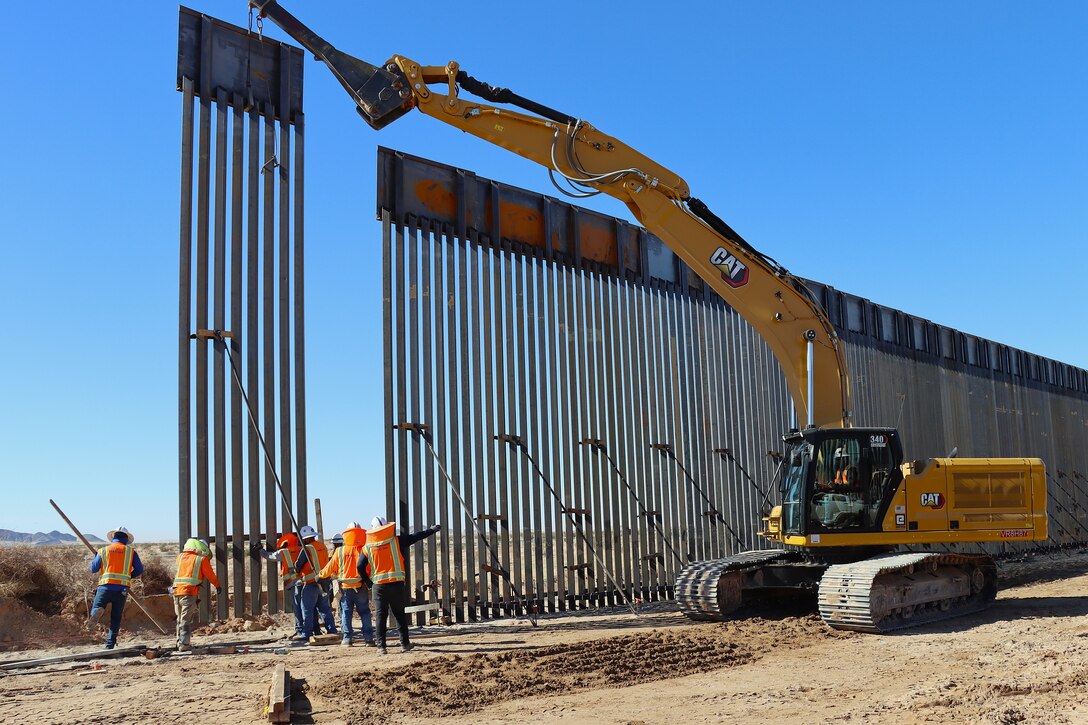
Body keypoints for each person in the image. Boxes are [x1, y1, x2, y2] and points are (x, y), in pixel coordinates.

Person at [358, 516, 441, 655]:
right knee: (399, 615)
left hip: (379, 587)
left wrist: (368, 582)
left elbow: (360, 566)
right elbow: (416, 536)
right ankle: (404, 644)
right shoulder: (396, 541)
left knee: (380, 616)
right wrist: (432, 530)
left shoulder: (368, 547)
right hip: (396, 585)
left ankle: (381, 647)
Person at [87, 526, 143, 649]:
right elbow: (139, 569)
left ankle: (96, 612)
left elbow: (93, 569)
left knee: (97, 607)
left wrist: (96, 557)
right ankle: (110, 644)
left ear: (113, 537)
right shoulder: (131, 552)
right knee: (116, 618)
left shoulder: (103, 551)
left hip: (105, 587)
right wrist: (129, 576)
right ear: (126, 539)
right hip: (122, 589)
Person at [321, 522, 373, 647]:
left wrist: (320, 575)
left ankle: (347, 639)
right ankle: (369, 639)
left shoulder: (339, 551)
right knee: (365, 612)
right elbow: (371, 568)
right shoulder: (365, 549)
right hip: (361, 587)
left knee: (346, 612)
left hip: (345, 588)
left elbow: (329, 568)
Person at [172, 538, 220, 652]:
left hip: (176, 591)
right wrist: (217, 585)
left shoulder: (180, 557)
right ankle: (184, 644)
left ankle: (179, 642)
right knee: (185, 619)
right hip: (189, 592)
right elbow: (210, 575)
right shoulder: (201, 559)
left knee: (179, 618)